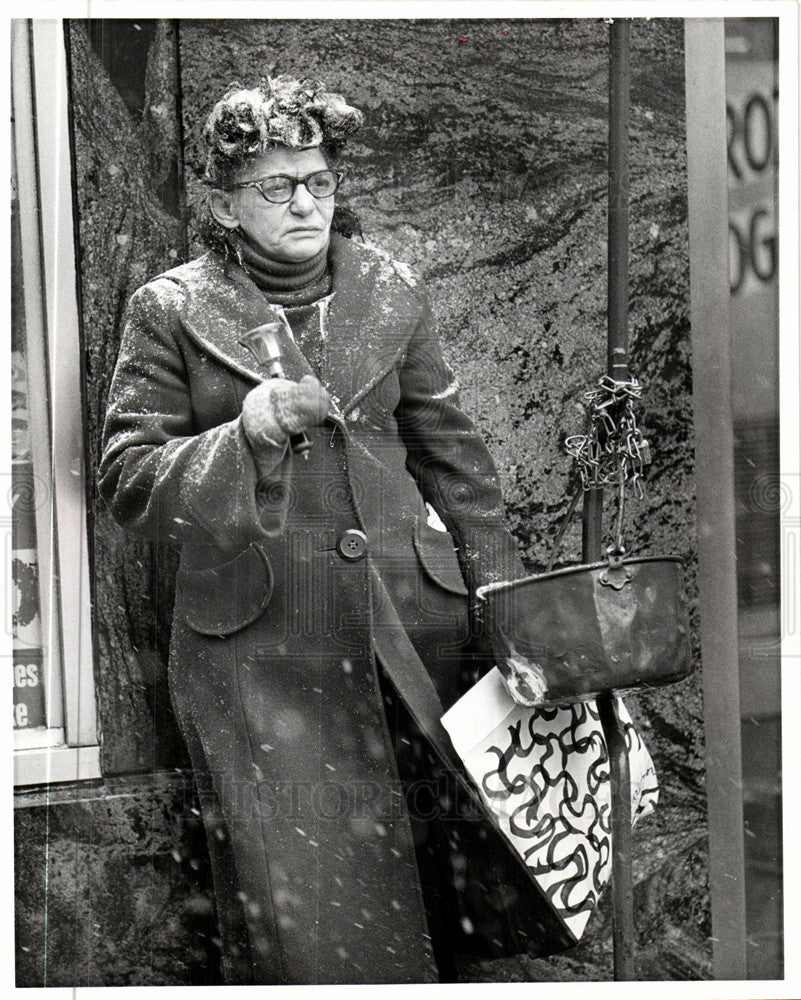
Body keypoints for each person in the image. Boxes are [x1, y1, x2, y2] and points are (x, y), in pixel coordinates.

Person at [99, 77, 551, 986]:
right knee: (311, 909)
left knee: (451, 896)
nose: (305, 201)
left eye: (318, 180)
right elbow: (127, 482)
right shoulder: (170, 307)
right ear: (225, 203)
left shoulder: (389, 286)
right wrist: (246, 435)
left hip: (413, 630)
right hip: (261, 652)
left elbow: (457, 463)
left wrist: (505, 610)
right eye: (276, 185)